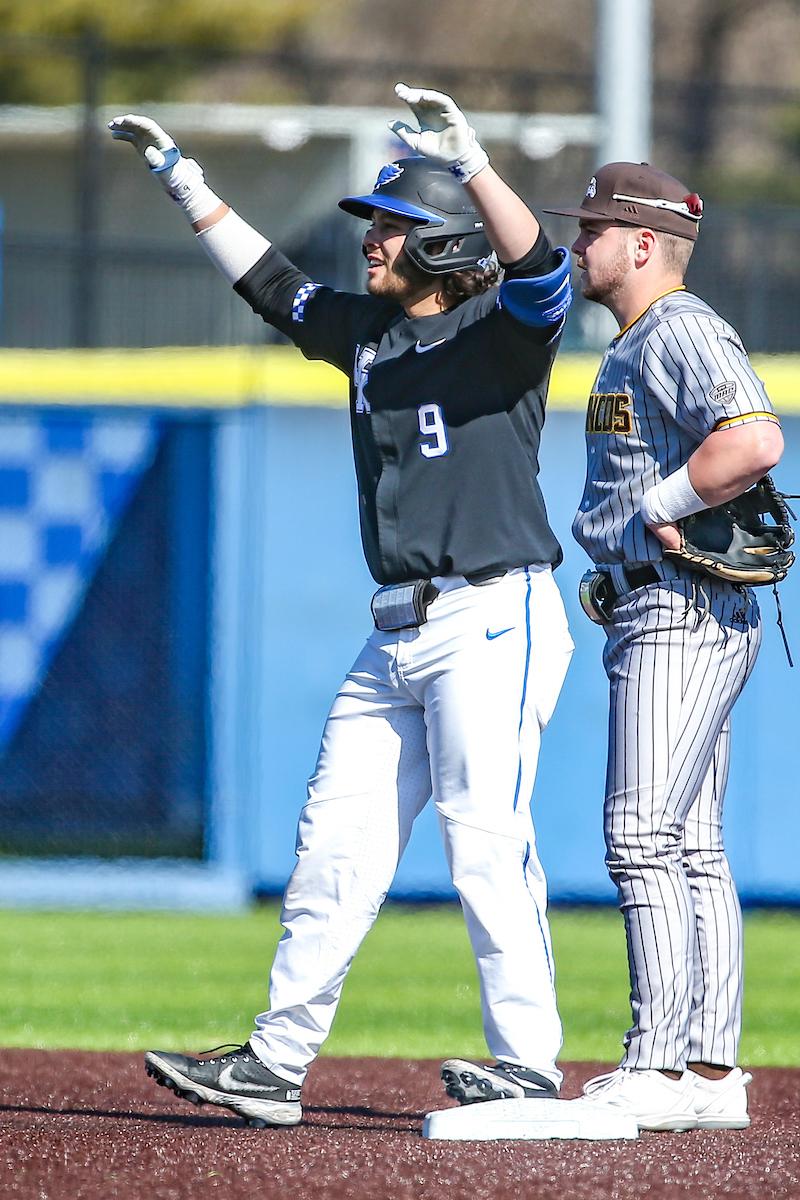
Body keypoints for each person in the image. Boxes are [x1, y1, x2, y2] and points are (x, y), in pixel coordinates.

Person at [109, 85, 575, 1128]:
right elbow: (273, 286)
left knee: (482, 838)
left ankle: (532, 1068)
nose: (373, 241)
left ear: (449, 245)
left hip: (493, 614)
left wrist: (473, 167)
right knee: (333, 844)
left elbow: (543, 269)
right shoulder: (366, 330)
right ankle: (275, 1064)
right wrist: (183, 179)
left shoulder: (504, 334)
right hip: (396, 627)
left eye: (397, 226)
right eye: (375, 224)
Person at [544, 163, 784, 1131]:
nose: (576, 245)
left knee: (641, 835)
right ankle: (707, 1069)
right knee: (688, 843)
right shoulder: (640, 340)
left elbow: (755, 440)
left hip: (677, 609)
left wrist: (661, 503)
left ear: (642, 246)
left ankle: (655, 1066)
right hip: (663, 603)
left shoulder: (678, 327)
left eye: (592, 230)